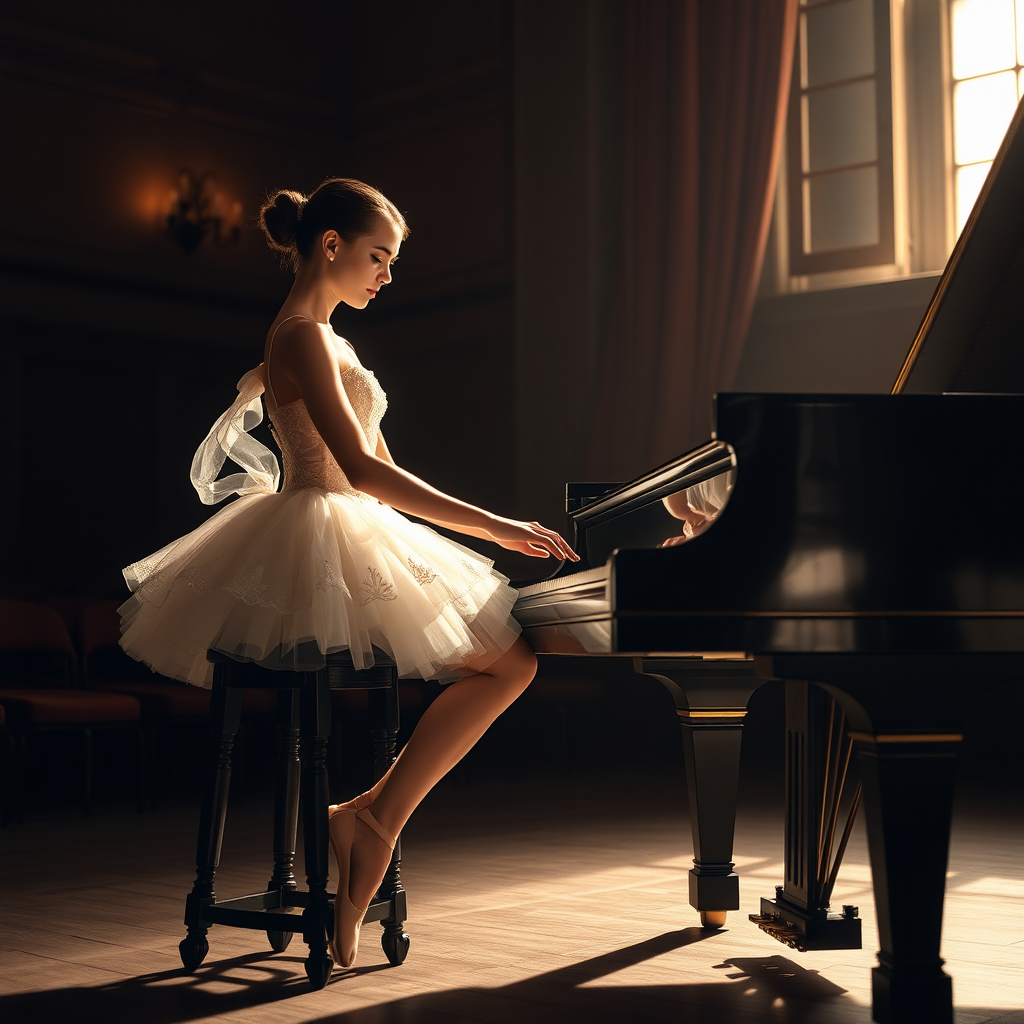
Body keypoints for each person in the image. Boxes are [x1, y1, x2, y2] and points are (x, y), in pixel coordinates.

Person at [118, 177, 578, 969]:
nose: (387, 276)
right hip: (315, 531)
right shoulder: (297, 334)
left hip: (357, 525)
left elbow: (383, 465)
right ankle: (370, 818)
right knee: (509, 660)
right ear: (329, 245)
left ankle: (374, 816)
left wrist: (470, 530)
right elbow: (359, 470)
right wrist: (495, 525)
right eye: (378, 256)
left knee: (511, 659)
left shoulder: (333, 339)